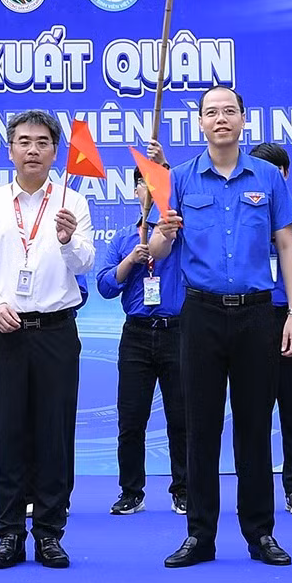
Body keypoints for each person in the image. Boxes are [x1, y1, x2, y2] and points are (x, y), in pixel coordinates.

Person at [146, 84, 292, 569]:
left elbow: (286, 245)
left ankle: (261, 533)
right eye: (210, 112)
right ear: (199, 123)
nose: (220, 119)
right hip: (201, 315)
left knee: (255, 427)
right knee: (201, 428)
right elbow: (156, 254)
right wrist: (162, 235)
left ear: (242, 120)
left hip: (258, 313)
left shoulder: (268, 179)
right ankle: (200, 536)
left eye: (228, 111)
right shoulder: (179, 179)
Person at [0, 110, 94, 569]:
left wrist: (66, 240)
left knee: (55, 437)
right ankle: (9, 534)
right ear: (10, 149)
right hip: (4, 331)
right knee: (8, 434)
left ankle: (50, 533)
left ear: (55, 150)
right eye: (24, 141)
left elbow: (84, 264)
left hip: (56, 331)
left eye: (42, 142)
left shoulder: (72, 202)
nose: (33, 149)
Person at [96, 166, 187, 518]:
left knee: (181, 418)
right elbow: (104, 286)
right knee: (131, 419)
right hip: (136, 334)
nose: (149, 190)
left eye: (158, 185)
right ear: (135, 190)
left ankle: (183, 490)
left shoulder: (182, 234)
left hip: (178, 330)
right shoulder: (122, 238)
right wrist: (129, 261)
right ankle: (131, 491)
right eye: (144, 185)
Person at [250, 141, 292, 515]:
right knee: (255, 411)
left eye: (274, 172)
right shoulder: (245, 213)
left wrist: (281, 243)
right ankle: (257, 489)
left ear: (285, 175)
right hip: (254, 318)